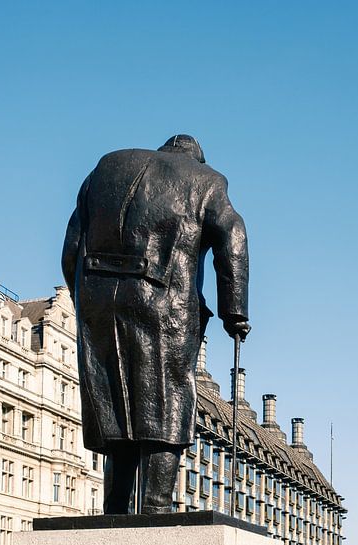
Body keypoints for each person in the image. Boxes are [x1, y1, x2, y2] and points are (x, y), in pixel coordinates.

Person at [61, 135, 250, 514]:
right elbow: (234, 236)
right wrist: (235, 312)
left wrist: (84, 297)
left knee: (114, 401)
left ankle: (114, 506)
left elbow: (70, 249)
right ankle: (156, 507)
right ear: (196, 157)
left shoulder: (103, 169)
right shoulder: (205, 180)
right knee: (166, 400)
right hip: (165, 303)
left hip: (97, 299)